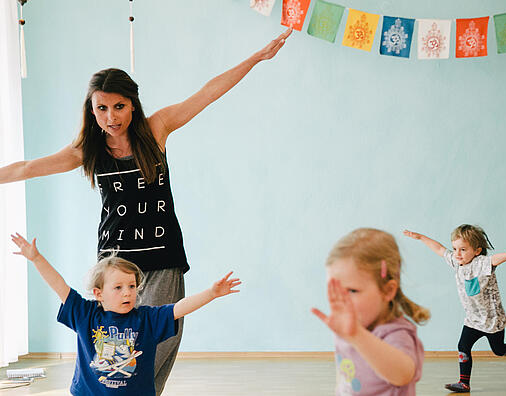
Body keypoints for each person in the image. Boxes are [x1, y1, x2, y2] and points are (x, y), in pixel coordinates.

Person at [0, 28, 291, 394]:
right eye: (101, 108)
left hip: (162, 258)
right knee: (110, 351)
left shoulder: (156, 130)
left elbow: (206, 94)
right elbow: (27, 168)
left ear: (133, 104)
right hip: (115, 264)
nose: (111, 117)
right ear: (91, 110)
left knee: (154, 348)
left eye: (119, 106)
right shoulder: (87, 150)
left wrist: (255, 58)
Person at [10, 232, 241, 395]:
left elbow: (179, 308)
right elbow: (60, 286)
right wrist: (37, 259)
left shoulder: (146, 318)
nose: (127, 293)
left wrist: (211, 293)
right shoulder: (86, 314)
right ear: (98, 293)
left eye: (132, 286)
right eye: (118, 287)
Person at [403, 224, 506, 394]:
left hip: (491, 319)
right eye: (455, 248)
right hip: (473, 319)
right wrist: (420, 237)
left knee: (499, 350)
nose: (457, 253)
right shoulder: (457, 262)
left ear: (477, 251)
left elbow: (494, 260)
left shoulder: (482, 263)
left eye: (463, 249)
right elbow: (439, 248)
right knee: (463, 345)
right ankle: (464, 383)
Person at [311, 228, 429, 396]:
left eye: (352, 291)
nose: (343, 301)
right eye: (335, 290)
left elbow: (403, 375)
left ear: (387, 291)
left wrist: (357, 335)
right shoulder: (349, 328)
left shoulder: (396, 333)